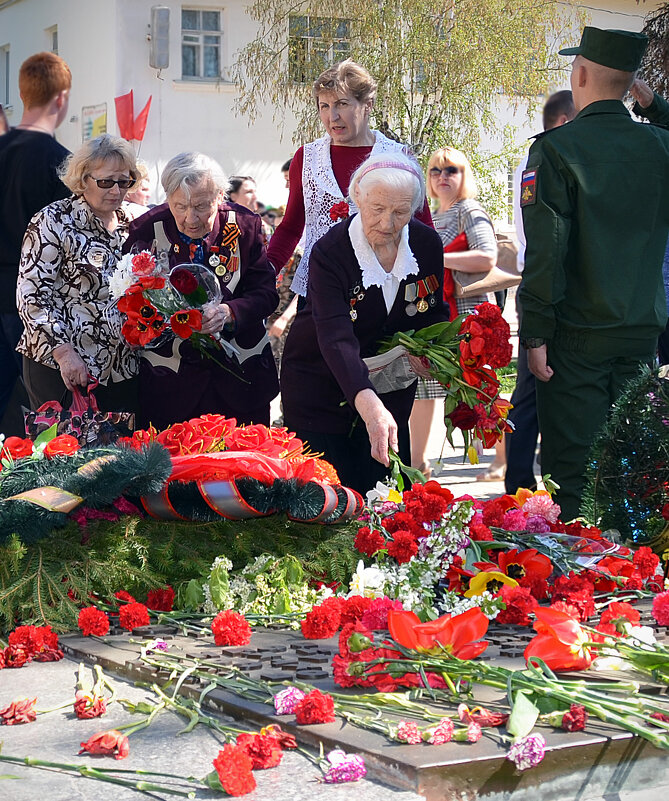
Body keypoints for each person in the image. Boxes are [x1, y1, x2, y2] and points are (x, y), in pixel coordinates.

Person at [519, 27, 669, 521]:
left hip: (576, 337)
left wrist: (535, 331)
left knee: (575, 474)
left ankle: (583, 590)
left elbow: (547, 252)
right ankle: (638, 578)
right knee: (633, 467)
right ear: (631, 85)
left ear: (579, 73)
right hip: (639, 331)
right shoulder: (657, 145)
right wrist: (655, 106)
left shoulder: (557, 150)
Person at [280, 152, 446, 495]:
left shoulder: (427, 244)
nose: (387, 223)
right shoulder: (330, 252)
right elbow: (335, 337)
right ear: (357, 198)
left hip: (390, 393)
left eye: (400, 212)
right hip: (320, 389)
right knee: (329, 500)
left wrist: (432, 353)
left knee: (385, 499)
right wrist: (369, 405)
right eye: (377, 209)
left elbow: (433, 310)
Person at [124, 152, 279, 430]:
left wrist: (229, 312)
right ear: (168, 197)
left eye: (200, 206)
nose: (190, 218)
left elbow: (266, 293)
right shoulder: (146, 231)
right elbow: (130, 301)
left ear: (220, 197)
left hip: (241, 381)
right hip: (170, 385)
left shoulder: (244, 225)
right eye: (179, 206)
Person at [267, 59, 433, 296]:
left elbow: (423, 228)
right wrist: (264, 273)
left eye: (341, 104)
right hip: (320, 290)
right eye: (324, 106)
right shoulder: (307, 158)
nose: (332, 116)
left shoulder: (398, 156)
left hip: (384, 290)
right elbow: (290, 228)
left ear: (368, 105)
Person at [17, 134, 141, 412]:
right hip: (62, 368)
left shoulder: (137, 222)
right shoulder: (53, 221)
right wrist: (63, 352)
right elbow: (32, 297)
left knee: (122, 455)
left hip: (121, 370)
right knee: (66, 453)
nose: (116, 190)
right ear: (83, 178)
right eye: (106, 181)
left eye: (124, 181)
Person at [409, 147, 498, 479]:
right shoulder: (430, 215)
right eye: (435, 171)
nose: (442, 177)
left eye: (451, 170)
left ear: (464, 176)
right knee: (424, 387)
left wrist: (438, 259)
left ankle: (502, 460)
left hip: (467, 313)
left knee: (477, 390)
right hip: (435, 314)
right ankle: (418, 463)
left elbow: (487, 257)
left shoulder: (468, 210)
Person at [505, 90, 576, 495]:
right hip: (545, 287)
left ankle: (523, 482)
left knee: (533, 394)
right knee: (535, 391)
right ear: (566, 123)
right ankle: (523, 484)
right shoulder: (543, 159)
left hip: (542, 285)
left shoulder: (536, 158)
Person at [0, 52, 71, 426]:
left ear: (23, 94)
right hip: (32, 301)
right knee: (39, 412)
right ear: (61, 99)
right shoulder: (61, 163)